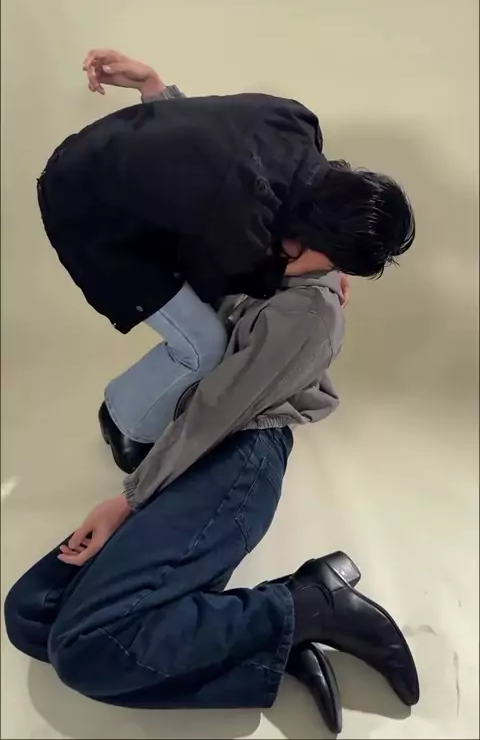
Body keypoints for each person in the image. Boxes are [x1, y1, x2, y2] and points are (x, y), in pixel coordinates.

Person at [4, 267, 419, 733]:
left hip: (240, 459)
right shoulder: (258, 251)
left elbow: (213, 414)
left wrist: (129, 500)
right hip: (197, 452)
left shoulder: (307, 312)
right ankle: (259, 644)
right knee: (30, 613)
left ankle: (309, 604)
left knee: (86, 653)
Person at [37, 49, 415, 473]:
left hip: (101, 150)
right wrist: (287, 268)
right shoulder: (240, 223)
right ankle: (123, 419)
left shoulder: (299, 123)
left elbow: (206, 142)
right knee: (203, 345)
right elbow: (224, 263)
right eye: (332, 261)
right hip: (84, 207)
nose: (328, 271)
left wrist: (155, 89)